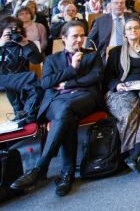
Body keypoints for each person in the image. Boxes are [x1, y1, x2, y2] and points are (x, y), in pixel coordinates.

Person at [12, 21, 103, 197]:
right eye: (74, 36)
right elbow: (46, 83)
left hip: (84, 97)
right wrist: (72, 68)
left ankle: (40, 168)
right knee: (67, 115)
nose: (79, 39)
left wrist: (68, 83)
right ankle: (66, 174)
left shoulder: (92, 56)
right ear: (64, 38)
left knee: (66, 110)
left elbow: (96, 77)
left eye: (81, 35)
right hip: (56, 101)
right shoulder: (52, 59)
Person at [102, 18, 140, 175]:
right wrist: (117, 85)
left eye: (136, 28)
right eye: (129, 28)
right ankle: (132, 155)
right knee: (130, 112)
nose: (133, 30)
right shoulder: (116, 52)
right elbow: (108, 76)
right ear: (124, 33)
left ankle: (136, 154)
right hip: (124, 87)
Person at [0, 16, 43, 124]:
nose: (14, 31)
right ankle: (25, 114)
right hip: (3, 79)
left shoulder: (26, 43)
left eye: (17, 28)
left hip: (22, 81)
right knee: (32, 78)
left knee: (35, 87)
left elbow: (37, 61)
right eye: (10, 29)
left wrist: (25, 45)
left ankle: (23, 113)